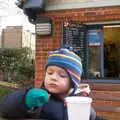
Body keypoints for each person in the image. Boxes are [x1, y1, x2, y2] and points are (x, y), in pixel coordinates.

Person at [0, 46, 98, 120]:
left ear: (73, 83)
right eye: (50, 73)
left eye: (62, 75)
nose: (53, 77)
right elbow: (4, 110)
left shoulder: (81, 104)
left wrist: (89, 112)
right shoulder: (37, 100)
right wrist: (25, 99)